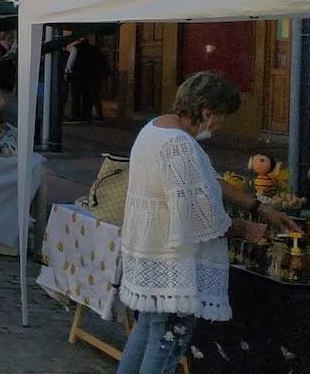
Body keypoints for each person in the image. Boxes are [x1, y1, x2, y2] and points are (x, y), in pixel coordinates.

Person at [114, 72, 295, 373]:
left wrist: (258, 207)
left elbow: (206, 180)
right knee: (165, 345)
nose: (220, 125)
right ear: (207, 112)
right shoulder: (179, 145)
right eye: (221, 117)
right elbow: (202, 219)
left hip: (155, 257)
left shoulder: (156, 128)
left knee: (147, 331)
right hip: (175, 266)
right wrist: (246, 229)